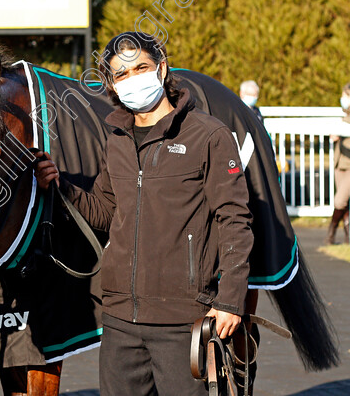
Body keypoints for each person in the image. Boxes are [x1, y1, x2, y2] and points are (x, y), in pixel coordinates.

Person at [35, 31, 254, 396]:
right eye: (121, 74)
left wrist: (231, 300)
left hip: (183, 320)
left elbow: (235, 220)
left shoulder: (209, 135)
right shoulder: (116, 139)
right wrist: (62, 188)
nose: (132, 78)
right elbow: (105, 212)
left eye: (141, 67)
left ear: (162, 69)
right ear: (112, 85)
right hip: (120, 320)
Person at [327, 82, 350, 245]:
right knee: (344, 203)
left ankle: (331, 229)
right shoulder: (343, 117)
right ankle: (345, 236)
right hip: (340, 163)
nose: (342, 99)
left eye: (345, 96)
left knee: (340, 200)